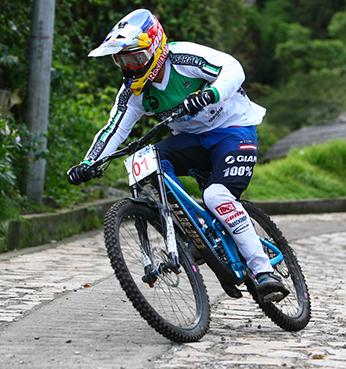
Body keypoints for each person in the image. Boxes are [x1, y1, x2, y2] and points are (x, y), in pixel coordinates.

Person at [67, 9, 289, 302]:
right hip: (191, 141)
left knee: (217, 197)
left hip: (233, 131)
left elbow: (233, 69)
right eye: (122, 60)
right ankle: (192, 230)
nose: (131, 67)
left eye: (136, 58)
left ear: (156, 47)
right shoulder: (134, 93)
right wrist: (89, 163)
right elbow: (113, 130)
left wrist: (211, 94)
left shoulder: (183, 58)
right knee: (143, 163)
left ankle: (263, 271)